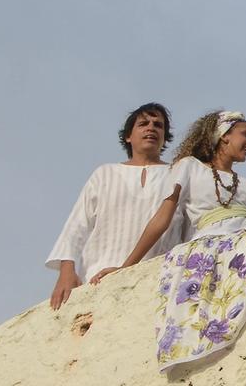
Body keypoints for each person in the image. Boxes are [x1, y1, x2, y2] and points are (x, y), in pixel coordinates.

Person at [103, 110, 246, 371]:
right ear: (223, 137)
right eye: (245, 135)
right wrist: (127, 266)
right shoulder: (189, 167)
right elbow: (163, 217)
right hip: (209, 241)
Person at [44, 102, 178, 310]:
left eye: (158, 125)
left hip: (158, 281)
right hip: (100, 279)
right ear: (128, 136)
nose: (151, 128)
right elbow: (77, 226)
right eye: (143, 123)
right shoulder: (105, 173)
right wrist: (66, 270)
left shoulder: (178, 175)